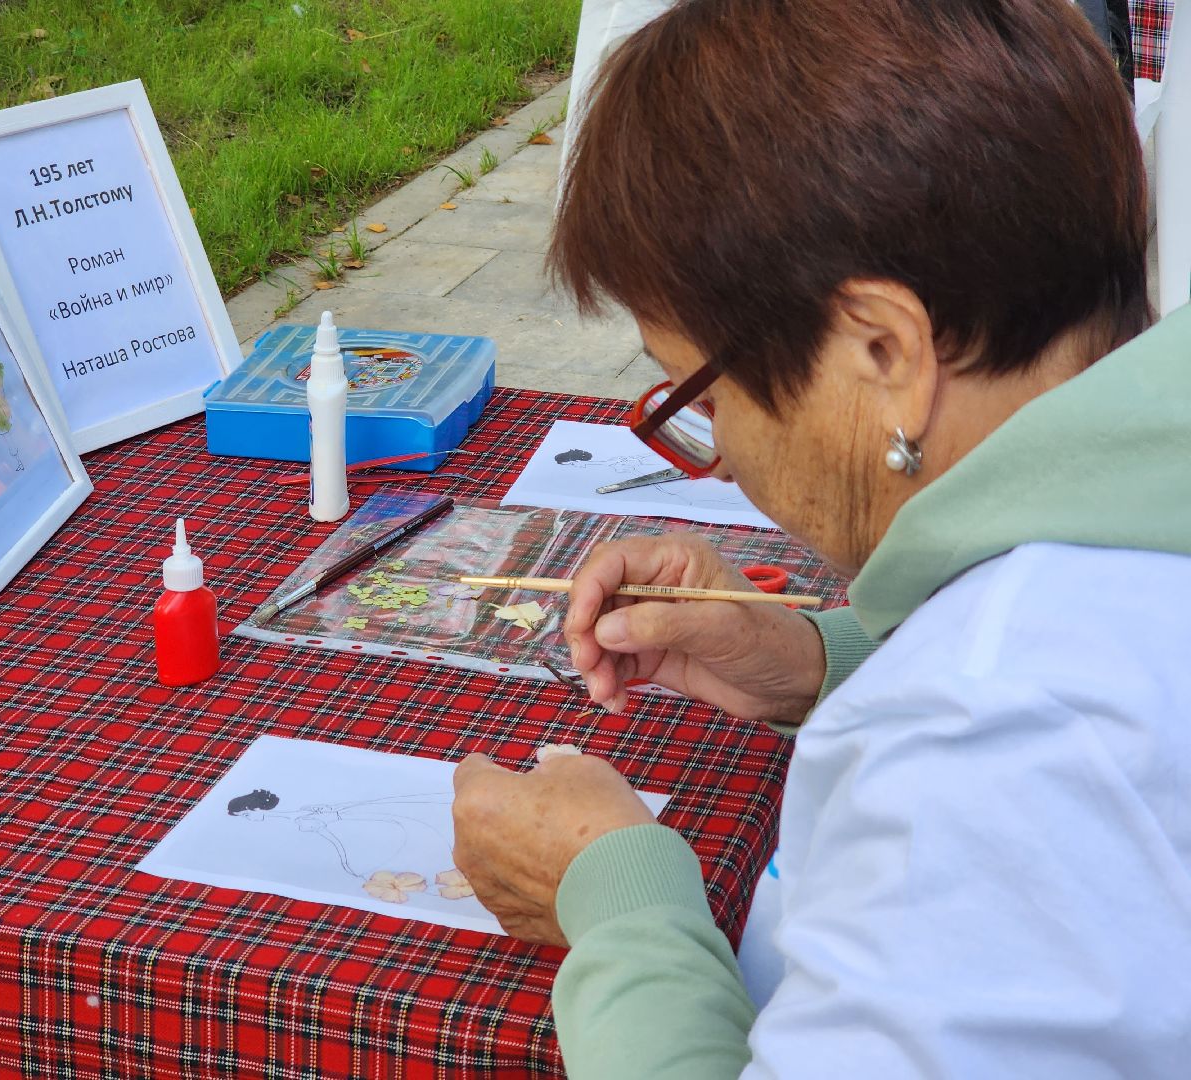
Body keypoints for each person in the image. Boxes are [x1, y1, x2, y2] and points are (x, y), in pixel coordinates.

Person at [450, 0, 1191, 1075]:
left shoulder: (985, 740)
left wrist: (619, 895)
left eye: (700, 393)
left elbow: (1028, 742)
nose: (726, 453)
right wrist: (819, 661)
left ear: (884, 348)